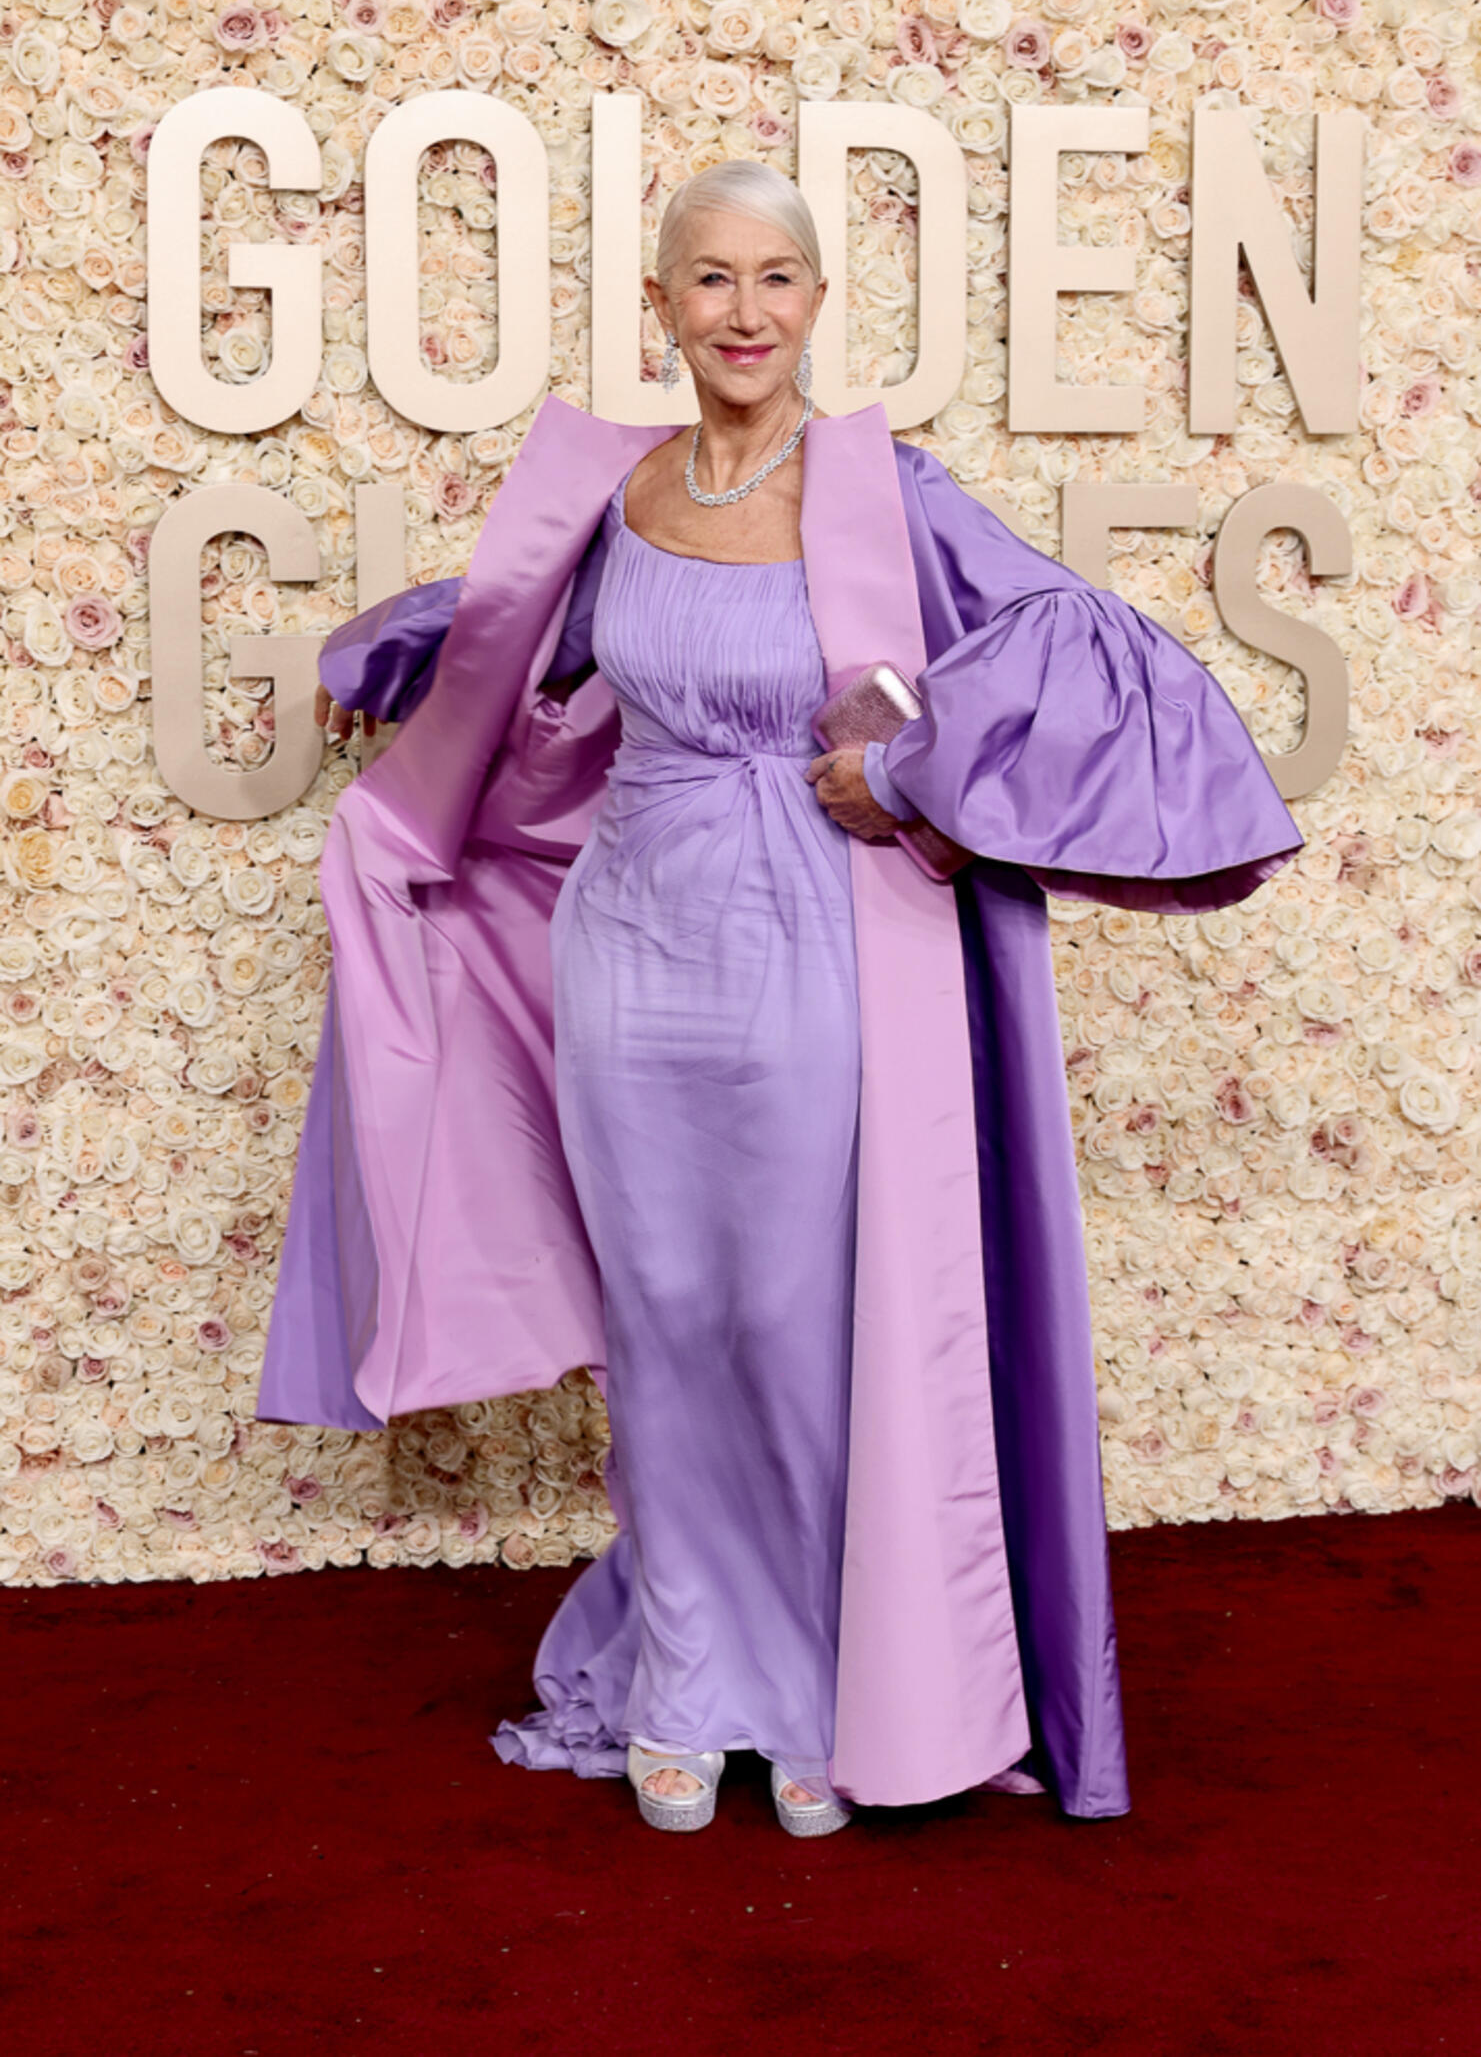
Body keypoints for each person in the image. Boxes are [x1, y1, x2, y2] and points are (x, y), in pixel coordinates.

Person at [258, 160, 1303, 1838]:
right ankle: (684, 1678)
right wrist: (409, 673)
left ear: (816, 303)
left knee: (796, 1320)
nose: (743, 312)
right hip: (629, 944)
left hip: (815, 943)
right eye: (710, 280)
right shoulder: (613, 496)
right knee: (665, 1319)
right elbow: (525, 660)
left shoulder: (886, 495)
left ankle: (823, 1681)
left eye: (776, 280)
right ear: (663, 303)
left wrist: (902, 772)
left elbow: (1071, 648)